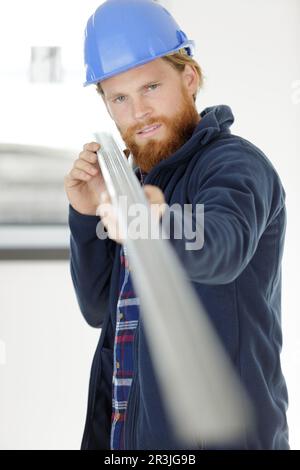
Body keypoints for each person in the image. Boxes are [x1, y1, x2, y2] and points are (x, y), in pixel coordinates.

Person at [64, 0, 289, 450]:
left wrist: (157, 223)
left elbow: (221, 246)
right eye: (120, 98)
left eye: (151, 86)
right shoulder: (135, 182)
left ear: (189, 78)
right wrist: (87, 216)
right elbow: (98, 309)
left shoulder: (235, 165)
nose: (139, 111)